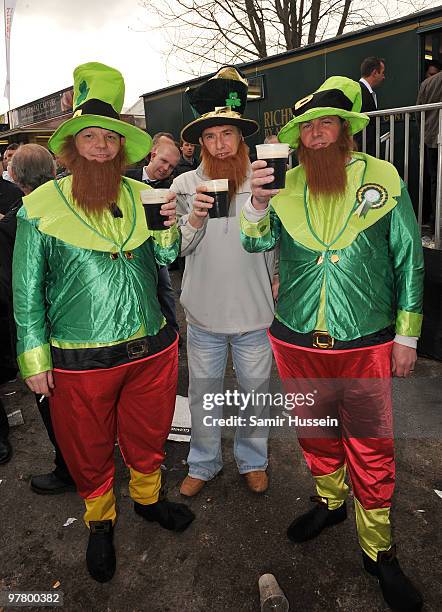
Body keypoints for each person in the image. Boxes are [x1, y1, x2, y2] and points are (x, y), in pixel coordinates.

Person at [241, 76, 424, 612]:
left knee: (371, 447)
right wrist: (255, 200)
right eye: (308, 128)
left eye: (327, 125)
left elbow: (408, 258)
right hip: (296, 339)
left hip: (365, 341)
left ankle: (379, 550)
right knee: (316, 434)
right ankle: (330, 502)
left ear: (345, 131)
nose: (316, 135)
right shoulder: (285, 184)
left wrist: (407, 335)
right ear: (298, 139)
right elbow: (258, 241)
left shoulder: (383, 177)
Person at [13, 62, 194, 583]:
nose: (100, 146)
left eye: (109, 138)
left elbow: (165, 255)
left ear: (121, 145)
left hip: (152, 349)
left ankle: (145, 500)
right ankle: (99, 523)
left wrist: (170, 228)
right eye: (88, 137)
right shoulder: (39, 206)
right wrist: (33, 358)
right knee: (88, 446)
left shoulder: (143, 196)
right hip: (79, 357)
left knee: (149, 433)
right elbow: (26, 291)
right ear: (70, 148)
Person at [171, 66, 275, 497]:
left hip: (254, 312)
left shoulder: (266, 179)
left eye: (226, 135)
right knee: (204, 394)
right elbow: (175, 250)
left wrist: (277, 275)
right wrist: (193, 217)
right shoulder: (183, 184)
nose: (219, 143)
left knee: (255, 393)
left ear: (240, 138)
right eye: (210, 136)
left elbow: (276, 242)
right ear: (201, 142)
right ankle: (204, 462)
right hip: (204, 314)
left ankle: (253, 460)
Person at [0, 144, 76, 492]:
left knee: (53, 406)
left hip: (42, 330)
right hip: (81, 325)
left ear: (14, 176)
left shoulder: (20, 218)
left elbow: (13, 288)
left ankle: (69, 469)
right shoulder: (74, 203)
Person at [126, 141, 181, 335]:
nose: (166, 168)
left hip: (157, 250)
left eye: (172, 166)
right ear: (152, 155)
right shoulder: (126, 178)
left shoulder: (170, 188)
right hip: (129, 249)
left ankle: (172, 334)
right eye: (163, 161)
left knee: (165, 288)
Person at [416, 69, 442, 225]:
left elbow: (419, 113)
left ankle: (436, 223)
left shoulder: (427, 83)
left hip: (432, 138)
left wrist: (425, 135)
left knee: (435, 181)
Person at [355, 57, 385, 155]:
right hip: (361, 151)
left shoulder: (365, 91)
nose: (383, 77)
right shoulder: (359, 91)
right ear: (375, 73)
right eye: (382, 73)